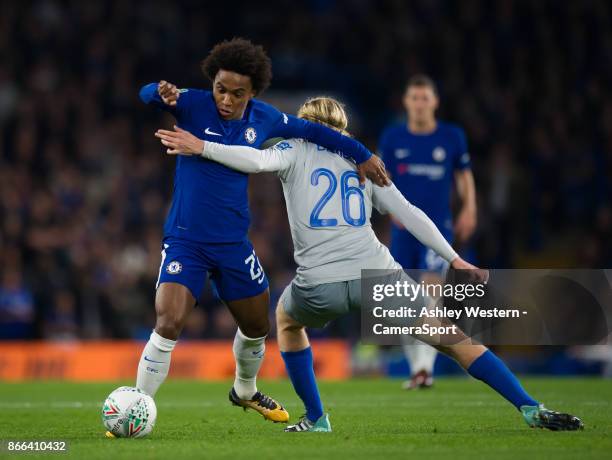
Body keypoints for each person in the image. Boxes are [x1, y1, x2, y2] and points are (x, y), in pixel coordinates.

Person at [154, 96, 583, 433]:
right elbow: (410, 213)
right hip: (377, 276)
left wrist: (203, 146)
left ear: (305, 123)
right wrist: (454, 257)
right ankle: (529, 406)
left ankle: (317, 418)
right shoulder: (363, 161)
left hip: (318, 284)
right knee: (454, 340)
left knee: (285, 320)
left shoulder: (292, 147)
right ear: (343, 129)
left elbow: (255, 160)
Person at [135, 38, 389, 427]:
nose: (227, 99)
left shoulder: (266, 118)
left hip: (234, 244)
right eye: (221, 88)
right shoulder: (192, 103)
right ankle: (138, 407)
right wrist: (159, 89)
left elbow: (316, 133)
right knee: (168, 321)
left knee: (257, 327)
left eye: (238, 93)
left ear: (252, 93)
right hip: (186, 241)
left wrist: (364, 155)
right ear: (212, 82)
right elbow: (146, 94)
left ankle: (245, 391)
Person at [378, 74, 477, 390]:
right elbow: (382, 176)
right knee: (404, 297)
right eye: (414, 98)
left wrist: (469, 207)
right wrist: (390, 209)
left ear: (435, 102)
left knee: (431, 291)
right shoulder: (393, 137)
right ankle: (418, 368)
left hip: (437, 228)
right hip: (403, 228)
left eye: (425, 98)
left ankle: (424, 368)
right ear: (406, 102)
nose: (420, 104)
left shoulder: (451, 136)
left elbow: (464, 175)